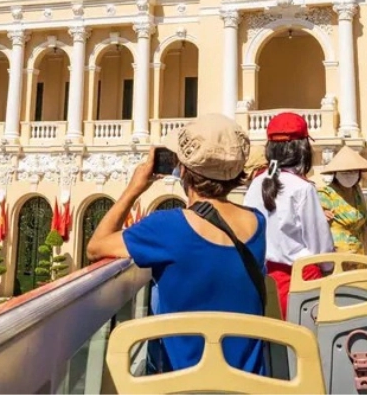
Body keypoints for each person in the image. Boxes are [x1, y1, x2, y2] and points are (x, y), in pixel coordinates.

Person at [87, 114, 267, 375]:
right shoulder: (257, 223)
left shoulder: (165, 227)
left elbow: (96, 246)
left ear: (183, 169)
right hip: (249, 383)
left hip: (182, 382)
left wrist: (135, 188)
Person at [243, 112, 334, 319]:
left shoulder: (256, 184)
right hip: (301, 282)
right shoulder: (302, 188)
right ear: (302, 149)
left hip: (264, 279)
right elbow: (320, 246)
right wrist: (328, 268)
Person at [317, 146, 367, 255]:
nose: (349, 176)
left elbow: (364, 215)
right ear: (336, 174)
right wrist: (321, 214)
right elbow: (310, 217)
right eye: (345, 172)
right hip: (337, 256)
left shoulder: (357, 192)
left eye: (353, 172)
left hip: (360, 253)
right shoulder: (324, 194)